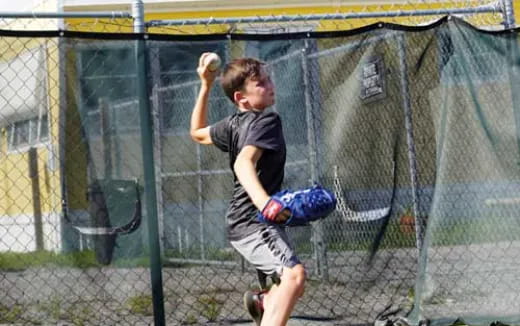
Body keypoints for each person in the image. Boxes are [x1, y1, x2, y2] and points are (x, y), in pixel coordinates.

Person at [190, 53, 306, 326]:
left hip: (245, 222)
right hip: (253, 221)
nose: (270, 85)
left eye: (268, 79)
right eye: (260, 83)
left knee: (288, 281)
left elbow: (196, 133)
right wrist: (265, 202)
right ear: (242, 99)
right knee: (294, 276)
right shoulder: (267, 121)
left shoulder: (231, 125)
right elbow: (243, 163)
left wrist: (205, 85)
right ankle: (266, 303)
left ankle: (263, 302)